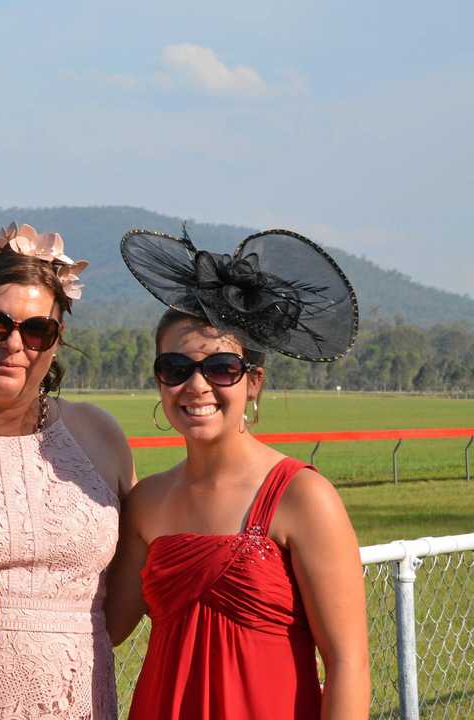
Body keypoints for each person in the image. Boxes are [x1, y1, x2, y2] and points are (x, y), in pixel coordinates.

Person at [107, 228, 370, 719]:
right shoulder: (147, 502)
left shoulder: (302, 496)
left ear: (254, 381)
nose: (197, 385)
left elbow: (348, 663)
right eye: (176, 367)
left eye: (222, 368)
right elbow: (105, 627)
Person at [0, 223, 136, 720]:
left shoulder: (100, 436)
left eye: (38, 330)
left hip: (80, 700)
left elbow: (126, 595)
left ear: (57, 341)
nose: (15, 344)